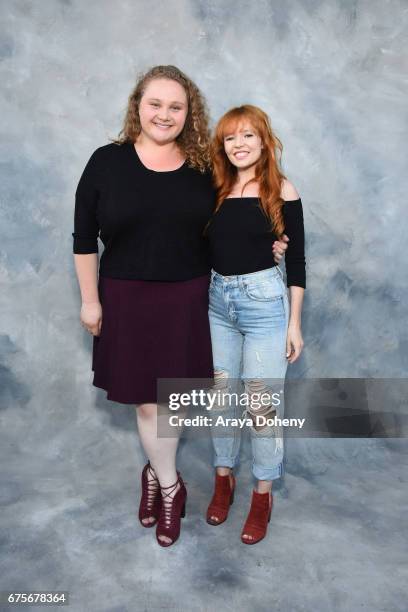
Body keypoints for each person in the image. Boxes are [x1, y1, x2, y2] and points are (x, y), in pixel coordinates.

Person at [72, 66, 289, 548]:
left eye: (176, 106)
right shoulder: (106, 162)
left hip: (189, 298)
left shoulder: (203, 169)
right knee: (148, 405)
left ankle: (154, 476)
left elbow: (245, 208)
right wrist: (90, 301)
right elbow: (84, 239)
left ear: (189, 114)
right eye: (155, 104)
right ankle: (172, 487)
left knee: (172, 404)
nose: (164, 114)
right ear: (138, 107)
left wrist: (272, 245)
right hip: (125, 297)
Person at [205, 104, 306, 544]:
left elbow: (297, 261)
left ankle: (263, 493)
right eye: (230, 138)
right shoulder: (215, 189)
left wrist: (294, 324)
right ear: (222, 146)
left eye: (248, 136)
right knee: (220, 397)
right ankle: (223, 478)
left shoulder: (281, 189)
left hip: (264, 304)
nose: (239, 144)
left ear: (264, 141)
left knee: (261, 405)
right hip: (217, 304)